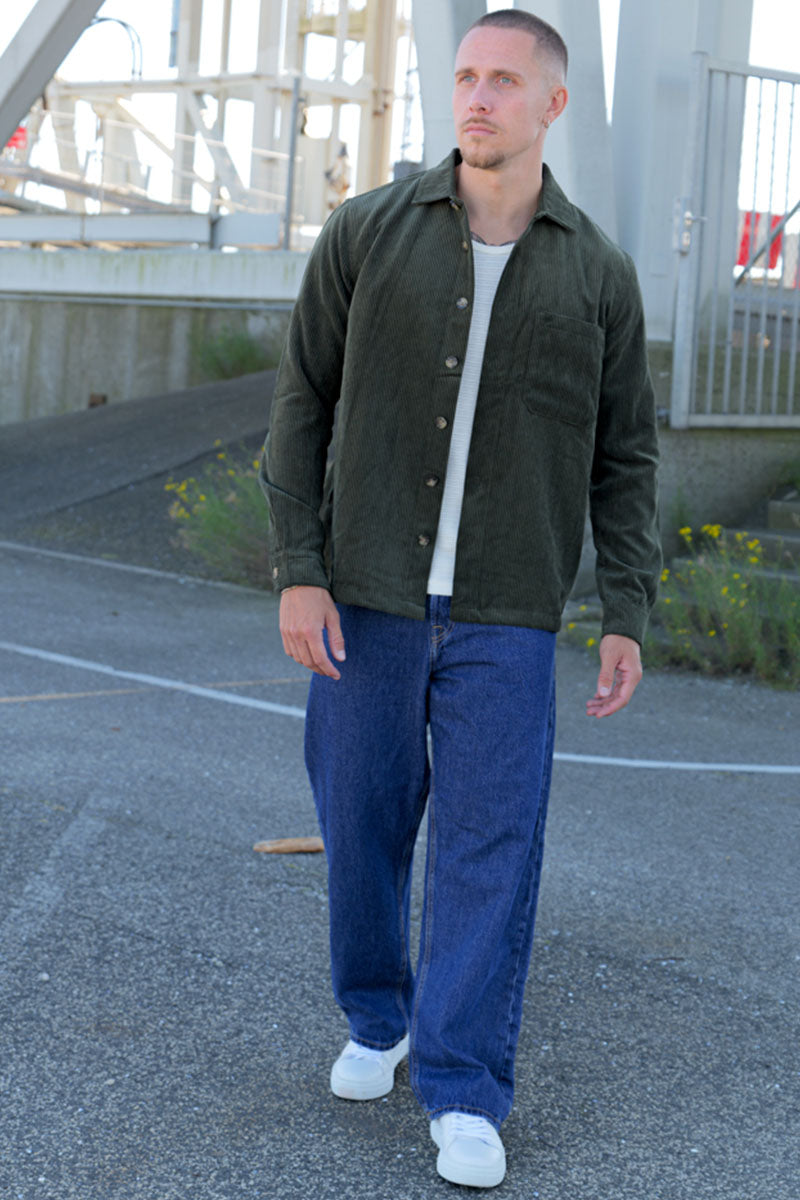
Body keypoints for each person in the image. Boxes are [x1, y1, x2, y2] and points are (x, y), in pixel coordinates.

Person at [261, 8, 660, 1190]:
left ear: (552, 105)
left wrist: (624, 608)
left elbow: (624, 456)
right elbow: (300, 402)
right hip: (365, 599)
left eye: (503, 81)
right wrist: (298, 569)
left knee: (492, 847)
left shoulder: (596, 273)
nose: (477, 97)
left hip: (506, 610)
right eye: (466, 75)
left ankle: (465, 1085)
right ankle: (375, 1017)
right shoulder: (366, 231)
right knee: (361, 829)